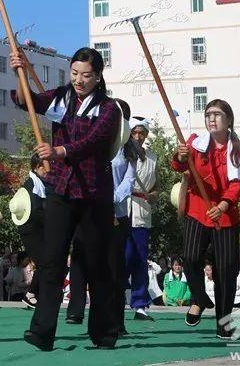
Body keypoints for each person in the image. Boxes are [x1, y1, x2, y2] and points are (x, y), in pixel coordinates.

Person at [10, 47, 122, 351]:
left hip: (94, 195)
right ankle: (42, 331)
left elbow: (95, 140)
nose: (79, 80)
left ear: (98, 77)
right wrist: (20, 71)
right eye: (74, 73)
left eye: (86, 75)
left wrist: (60, 151)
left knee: (96, 264)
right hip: (61, 189)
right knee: (52, 261)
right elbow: (28, 103)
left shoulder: (110, 108)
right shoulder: (61, 97)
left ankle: (104, 333)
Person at [173, 99, 240, 339]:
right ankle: (199, 297)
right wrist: (179, 155)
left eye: (217, 114)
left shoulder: (239, 151)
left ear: (228, 120)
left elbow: (238, 184)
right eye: (208, 114)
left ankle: (224, 323)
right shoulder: (195, 144)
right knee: (191, 257)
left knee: (225, 270)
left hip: (225, 216)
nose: (211, 118)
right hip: (197, 210)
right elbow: (177, 166)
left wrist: (224, 204)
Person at [108, 100, 138, 334]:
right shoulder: (97, 141)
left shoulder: (128, 149)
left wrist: (111, 200)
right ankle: (99, 320)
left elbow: (128, 181)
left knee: (117, 270)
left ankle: (117, 321)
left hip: (117, 214)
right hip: (94, 213)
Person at [127, 116, 157, 321]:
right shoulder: (121, 155)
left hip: (143, 211)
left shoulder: (153, 158)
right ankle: (112, 296)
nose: (138, 136)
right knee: (124, 257)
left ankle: (140, 304)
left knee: (140, 258)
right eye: (134, 133)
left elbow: (156, 186)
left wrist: (153, 195)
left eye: (141, 133)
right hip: (122, 210)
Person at [15, 153, 48, 309]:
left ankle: (34, 294)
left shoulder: (41, 184)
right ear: (37, 167)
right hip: (30, 229)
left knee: (45, 262)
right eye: (45, 166)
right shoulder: (31, 185)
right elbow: (35, 211)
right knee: (43, 262)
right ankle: (31, 294)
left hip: (37, 229)